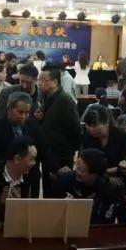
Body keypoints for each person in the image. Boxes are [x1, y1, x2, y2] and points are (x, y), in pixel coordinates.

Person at [37, 64, 81, 192]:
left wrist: (65, 159)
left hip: (61, 160)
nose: (39, 83)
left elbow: (76, 132)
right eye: (39, 80)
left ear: (55, 82)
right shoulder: (47, 98)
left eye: (43, 80)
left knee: (58, 196)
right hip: (48, 157)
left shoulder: (65, 101)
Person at [0, 91, 50, 175]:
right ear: (9, 110)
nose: (23, 117)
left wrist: (56, 169)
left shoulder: (32, 125)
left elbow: (44, 149)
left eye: (27, 113)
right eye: (20, 112)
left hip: (29, 176)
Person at [55, 149, 126, 224]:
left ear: (95, 174)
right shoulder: (65, 179)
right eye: (77, 166)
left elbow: (105, 222)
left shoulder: (108, 191)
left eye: (82, 171)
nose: (77, 172)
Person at [81, 105, 126, 172]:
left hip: (117, 174)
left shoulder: (120, 135)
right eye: (88, 125)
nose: (91, 129)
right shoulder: (88, 136)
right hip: (94, 175)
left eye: (94, 125)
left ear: (107, 122)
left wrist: (112, 170)